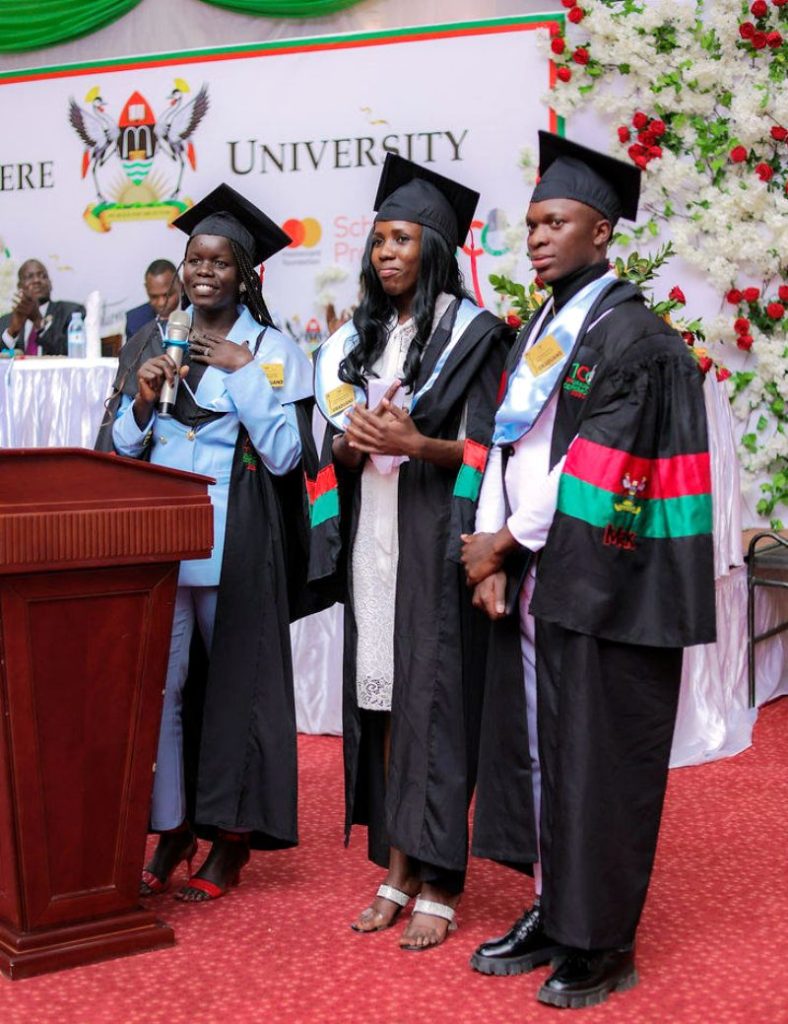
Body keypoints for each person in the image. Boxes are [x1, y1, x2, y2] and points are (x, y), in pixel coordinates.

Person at [461, 133, 716, 1008]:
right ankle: (552, 908)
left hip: (603, 584)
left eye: (555, 221)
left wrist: (503, 543)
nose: (535, 237)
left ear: (601, 233)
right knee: (542, 750)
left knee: (597, 757)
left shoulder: (637, 339)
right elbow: (508, 441)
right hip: (537, 574)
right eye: (530, 222)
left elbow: (592, 463)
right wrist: (491, 544)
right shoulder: (542, 326)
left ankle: (603, 940)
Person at [315, 154, 513, 950]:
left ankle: (440, 877)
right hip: (375, 534)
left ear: (435, 248)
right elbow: (332, 448)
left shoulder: (477, 337)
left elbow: (490, 452)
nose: (386, 253)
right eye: (377, 240)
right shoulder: (358, 340)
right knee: (387, 702)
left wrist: (417, 442)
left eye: (402, 239)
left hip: (436, 536)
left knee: (437, 700)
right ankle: (397, 865)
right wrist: (355, 446)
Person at [107, 183, 315, 902]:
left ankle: (230, 838)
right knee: (158, 692)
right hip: (161, 549)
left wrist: (243, 372)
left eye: (220, 261)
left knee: (237, 694)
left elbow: (288, 457)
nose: (204, 271)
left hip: (232, 549)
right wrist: (139, 399)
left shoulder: (274, 350)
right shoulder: (148, 338)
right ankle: (170, 828)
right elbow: (117, 449)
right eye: (196, 257)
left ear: (245, 274)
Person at [0, 259, 84, 355]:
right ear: (20, 287)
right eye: (29, 277)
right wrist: (12, 332)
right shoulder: (5, 322)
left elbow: (74, 354)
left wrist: (39, 322)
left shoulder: (70, 313)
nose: (36, 280)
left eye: (43, 276)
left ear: (50, 284)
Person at [125, 259, 183, 342]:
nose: (161, 303)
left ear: (180, 286)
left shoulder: (199, 313)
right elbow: (130, 355)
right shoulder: (135, 321)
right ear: (146, 289)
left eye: (167, 295)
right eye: (154, 297)